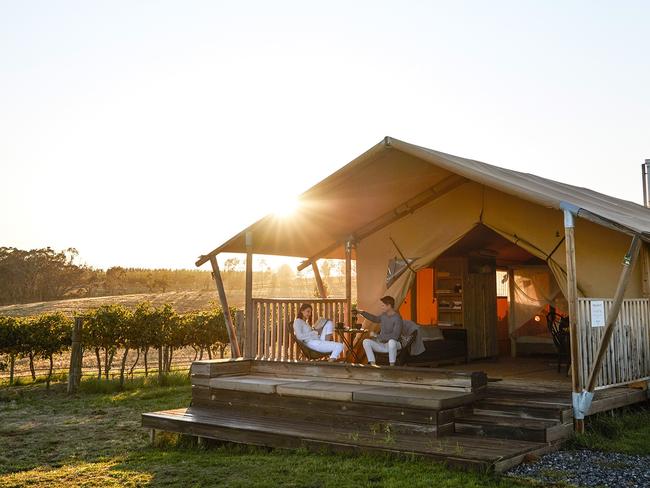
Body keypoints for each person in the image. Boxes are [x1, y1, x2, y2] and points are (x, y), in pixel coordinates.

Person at [359, 296, 403, 366]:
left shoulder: (397, 318)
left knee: (391, 342)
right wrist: (362, 313)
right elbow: (375, 319)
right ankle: (373, 364)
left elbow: (395, 336)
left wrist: (377, 336)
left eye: (383, 305)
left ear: (389, 306)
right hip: (383, 345)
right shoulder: (384, 315)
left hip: (394, 345)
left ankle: (392, 365)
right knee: (366, 342)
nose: (381, 307)